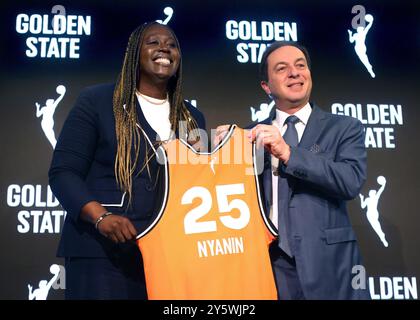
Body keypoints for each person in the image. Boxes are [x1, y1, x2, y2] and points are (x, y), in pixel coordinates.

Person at [49, 22, 206, 299]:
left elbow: (199, 186)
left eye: (171, 44)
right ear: (134, 53)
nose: (164, 49)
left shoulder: (192, 117)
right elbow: (64, 173)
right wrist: (101, 217)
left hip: (167, 257)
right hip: (101, 254)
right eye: (153, 42)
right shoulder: (97, 101)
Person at [215, 41, 369, 299]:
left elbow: (350, 181)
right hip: (270, 264)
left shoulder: (344, 128)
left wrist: (287, 152)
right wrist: (218, 150)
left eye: (300, 66)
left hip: (332, 266)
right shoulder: (249, 136)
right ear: (266, 86)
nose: (295, 73)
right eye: (282, 68)